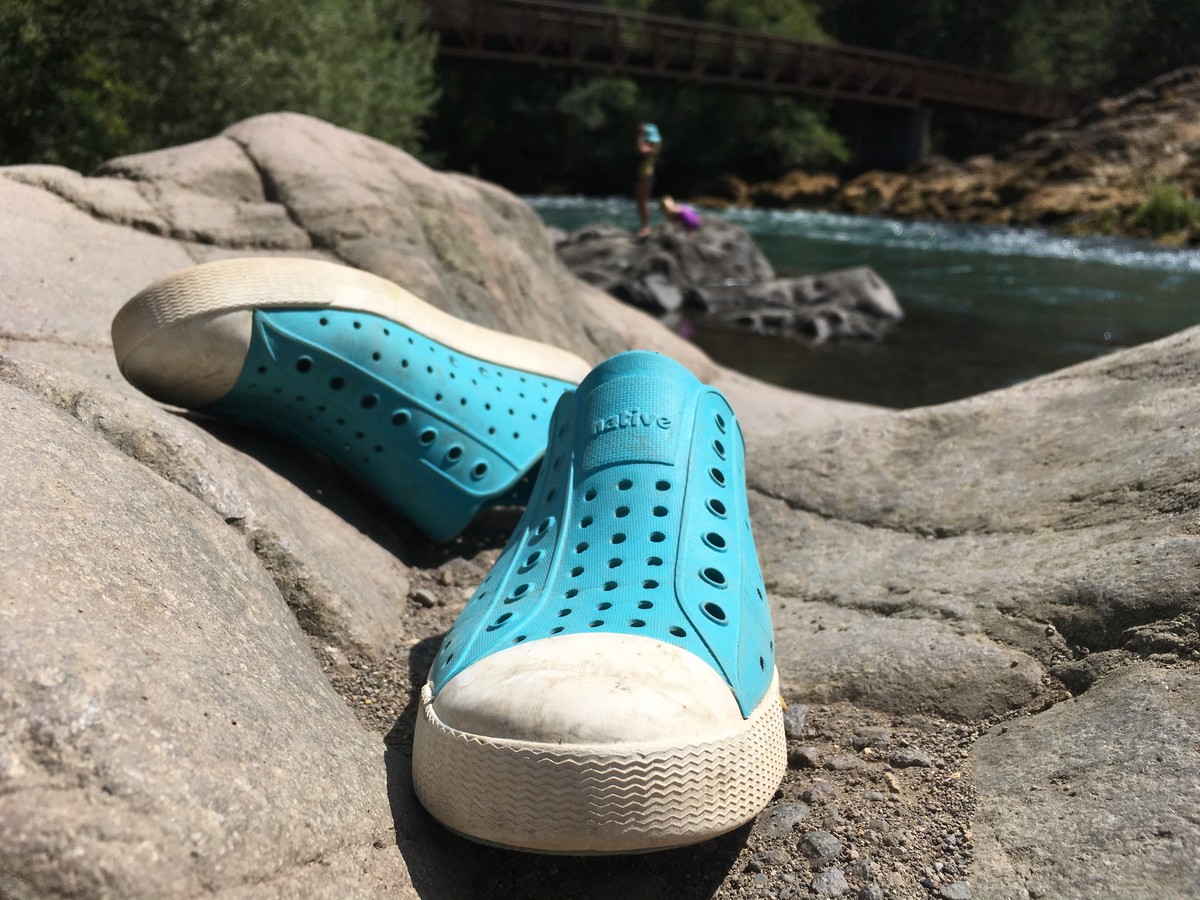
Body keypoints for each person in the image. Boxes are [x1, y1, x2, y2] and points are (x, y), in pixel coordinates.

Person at [634, 122, 661, 238]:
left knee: (643, 202)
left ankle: (646, 227)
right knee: (640, 202)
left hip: (646, 176)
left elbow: (641, 149)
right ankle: (644, 226)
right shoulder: (654, 144)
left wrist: (640, 136)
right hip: (644, 176)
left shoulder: (652, 147)